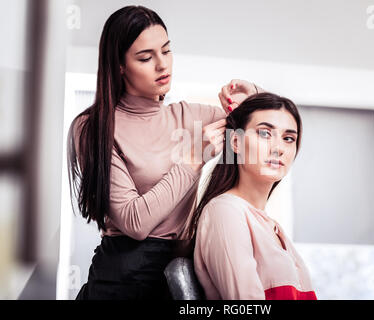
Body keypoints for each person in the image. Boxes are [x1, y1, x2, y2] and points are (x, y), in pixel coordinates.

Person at [67, 5, 264, 300]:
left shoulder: (189, 117)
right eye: (146, 57)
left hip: (179, 273)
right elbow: (134, 222)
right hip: (121, 279)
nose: (162, 64)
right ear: (119, 66)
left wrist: (253, 98)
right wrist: (194, 158)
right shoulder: (93, 126)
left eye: (167, 51)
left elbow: (263, 138)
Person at [188, 92, 317, 300]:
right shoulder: (225, 211)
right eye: (265, 133)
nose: (278, 149)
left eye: (288, 138)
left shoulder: (272, 226)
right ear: (236, 142)